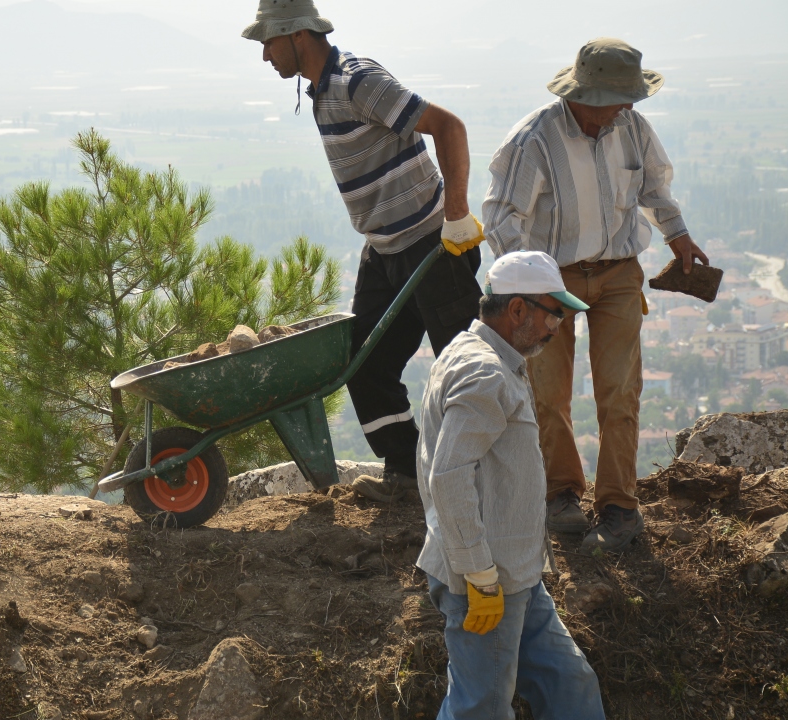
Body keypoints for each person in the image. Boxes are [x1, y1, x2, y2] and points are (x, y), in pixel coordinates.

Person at [241, 0, 485, 502]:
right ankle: (408, 471)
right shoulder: (320, 90)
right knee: (363, 365)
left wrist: (456, 214)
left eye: (268, 40)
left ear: (298, 35)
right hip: (383, 249)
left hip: (432, 244)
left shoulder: (356, 80)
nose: (265, 54)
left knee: (465, 367)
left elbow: (449, 127)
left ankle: (486, 485)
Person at [482, 39, 707, 552]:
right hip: (551, 282)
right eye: (619, 98)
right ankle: (561, 496)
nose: (628, 107)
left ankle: (618, 505)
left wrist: (678, 235)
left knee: (620, 390)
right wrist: (531, 284)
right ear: (585, 93)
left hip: (618, 273)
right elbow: (500, 219)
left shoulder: (630, 127)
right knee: (549, 391)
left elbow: (654, 188)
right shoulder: (532, 141)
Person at [417, 251, 604, 719]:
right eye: (553, 313)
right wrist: (479, 574)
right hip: (486, 579)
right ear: (517, 309)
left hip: (516, 573)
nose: (557, 325)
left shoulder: (480, 354)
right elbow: (449, 477)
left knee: (570, 685)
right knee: (479, 708)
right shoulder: (485, 373)